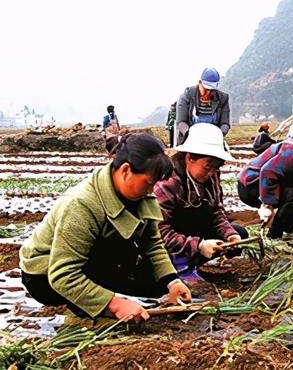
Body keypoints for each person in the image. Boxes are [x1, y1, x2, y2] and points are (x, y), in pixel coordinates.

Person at [19, 134, 191, 322]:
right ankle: (86, 310)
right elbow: (63, 274)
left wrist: (172, 282)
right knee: (114, 294)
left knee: (151, 283)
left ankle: (99, 298)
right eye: (149, 183)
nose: (151, 191)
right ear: (126, 170)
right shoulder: (81, 205)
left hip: (97, 258)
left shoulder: (140, 196)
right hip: (45, 275)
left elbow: (152, 243)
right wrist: (115, 304)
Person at [154, 124, 248, 277]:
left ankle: (194, 262)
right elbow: (160, 233)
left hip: (194, 231)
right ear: (189, 157)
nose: (211, 173)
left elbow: (216, 212)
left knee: (239, 233)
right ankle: (179, 267)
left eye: (215, 168)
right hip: (171, 240)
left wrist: (229, 235)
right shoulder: (166, 183)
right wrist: (198, 245)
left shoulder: (211, 176)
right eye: (207, 168)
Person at [175, 67, 231, 146]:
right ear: (199, 83)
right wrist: (190, 135)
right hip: (189, 141)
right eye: (205, 89)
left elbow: (225, 124)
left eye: (212, 91)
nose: (208, 93)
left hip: (213, 142)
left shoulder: (223, 99)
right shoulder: (187, 95)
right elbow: (181, 122)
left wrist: (218, 135)